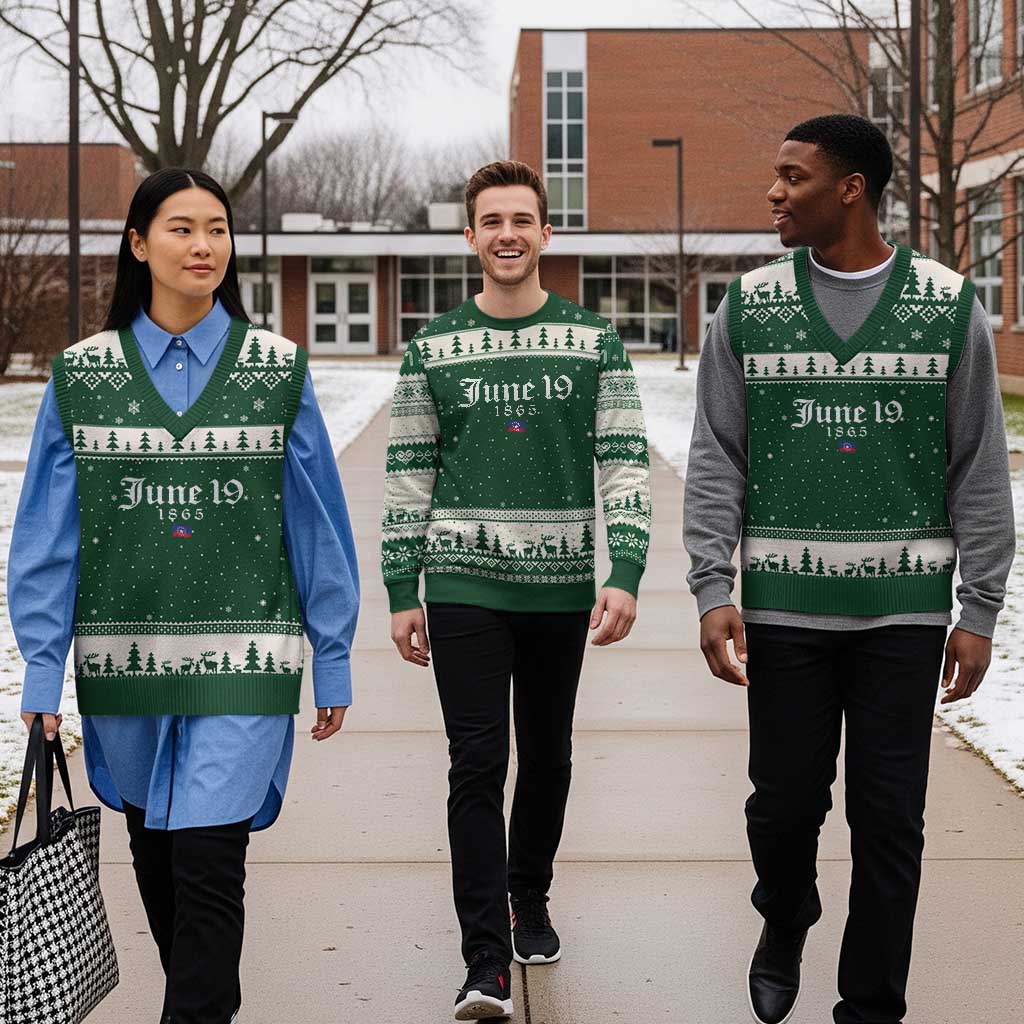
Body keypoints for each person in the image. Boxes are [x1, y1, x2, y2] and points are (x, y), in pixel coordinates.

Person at [684, 113, 1015, 1024]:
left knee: (889, 824)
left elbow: (978, 464)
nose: (774, 192)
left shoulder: (947, 305)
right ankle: (784, 914)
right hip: (785, 612)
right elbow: (718, 454)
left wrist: (980, 608)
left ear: (852, 189)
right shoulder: (749, 305)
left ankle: (871, 1005)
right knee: (782, 810)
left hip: (904, 618)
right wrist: (713, 586)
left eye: (793, 176)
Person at [10, 168, 359, 1024]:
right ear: (138, 244)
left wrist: (334, 653)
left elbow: (315, 522)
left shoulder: (277, 371)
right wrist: (43, 675)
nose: (203, 246)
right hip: (122, 661)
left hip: (245, 659)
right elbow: (46, 539)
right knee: (159, 860)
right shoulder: (81, 376)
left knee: (210, 861)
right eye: (181, 229)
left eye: (217, 229)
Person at [380, 160, 651, 1021]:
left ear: (545, 232)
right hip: (462, 580)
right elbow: (407, 475)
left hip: (561, 586)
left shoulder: (593, 341)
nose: (507, 234)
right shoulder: (433, 349)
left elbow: (624, 461)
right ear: (469, 236)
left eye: (522, 220)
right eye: (491, 220)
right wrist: (401, 586)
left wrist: (627, 569)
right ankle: (484, 960)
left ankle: (527, 895)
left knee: (548, 752)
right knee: (476, 761)